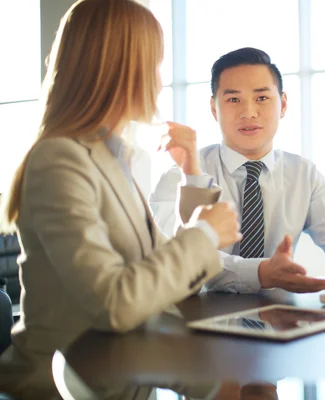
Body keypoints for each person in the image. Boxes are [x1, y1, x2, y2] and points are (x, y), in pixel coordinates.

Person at [0, 1, 239, 398]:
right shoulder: (58, 160)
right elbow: (115, 303)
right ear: (120, 68)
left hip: (123, 375)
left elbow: (170, 281)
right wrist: (204, 234)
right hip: (64, 387)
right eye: (155, 64)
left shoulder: (116, 156)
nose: (160, 81)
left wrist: (193, 171)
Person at [150, 47, 325, 293]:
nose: (248, 112)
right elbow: (174, 258)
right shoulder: (182, 176)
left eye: (261, 98)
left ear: (282, 104)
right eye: (233, 100)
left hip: (276, 318)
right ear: (214, 108)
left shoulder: (303, 174)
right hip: (196, 321)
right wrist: (259, 273)